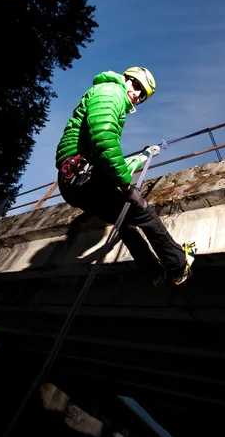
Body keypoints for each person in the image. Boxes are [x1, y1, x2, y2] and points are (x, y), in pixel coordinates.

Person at [55, 67, 195, 286]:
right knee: (142, 210)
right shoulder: (112, 91)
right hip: (85, 175)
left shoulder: (109, 94)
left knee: (125, 221)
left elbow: (108, 156)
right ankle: (178, 264)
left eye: (143, 95)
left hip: (75, 181)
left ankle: (155, 273)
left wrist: (145, 155)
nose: (138, 96)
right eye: (137, 87)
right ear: (126, 80)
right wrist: (126, 185)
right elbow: (104, 137)